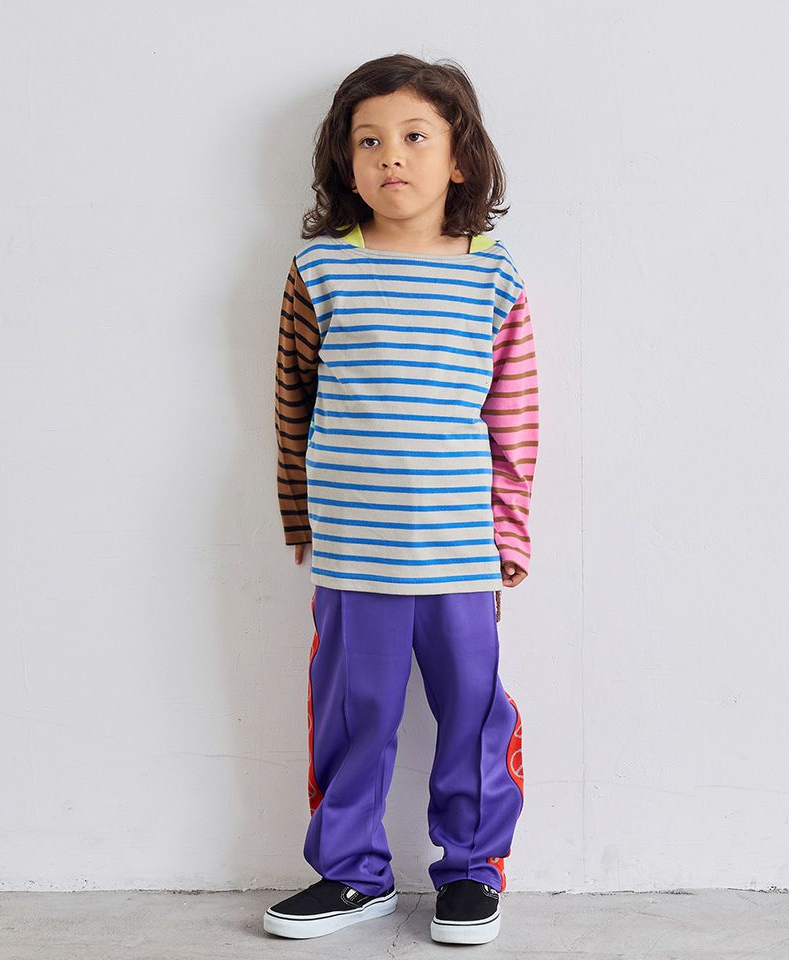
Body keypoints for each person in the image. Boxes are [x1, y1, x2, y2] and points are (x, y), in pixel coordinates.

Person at [265, 53, 539, 946]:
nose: (392, 155)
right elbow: (292, 400)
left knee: (473, 713)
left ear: (460, 158)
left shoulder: (492, 276)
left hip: (460, 551)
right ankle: (352, 873)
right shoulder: (319, 271)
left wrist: (509, 534)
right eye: (369, 141)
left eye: (416, 137)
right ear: (345, 164)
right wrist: (300, 516)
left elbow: (513, 419)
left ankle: (472, 870)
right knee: (355, 718)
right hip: (355, 552)